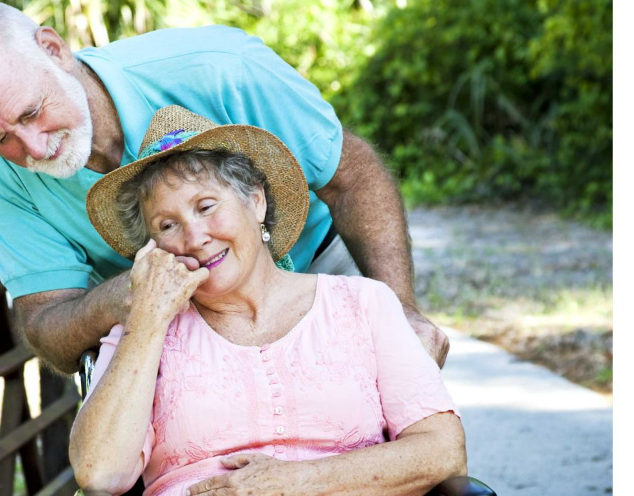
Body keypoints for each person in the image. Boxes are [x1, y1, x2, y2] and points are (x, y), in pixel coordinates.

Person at [0, 1, 449, 375]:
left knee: (407, 423)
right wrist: (121, 297)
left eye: (33, 112)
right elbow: (48, 326)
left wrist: (399, 310)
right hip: (173, 324)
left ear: (54, 48)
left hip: (314, 260)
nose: (33, 148)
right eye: (1, 138)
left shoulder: (220, 67)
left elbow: (352, 175)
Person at [69, 105, 466, 496]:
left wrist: (298, 481)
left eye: (206, 207)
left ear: (255, 201)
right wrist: (148, 322)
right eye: (168, 226)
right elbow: (100, 474)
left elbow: (443, 453)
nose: (194, 238)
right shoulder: (141, 330)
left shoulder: (363, 303)